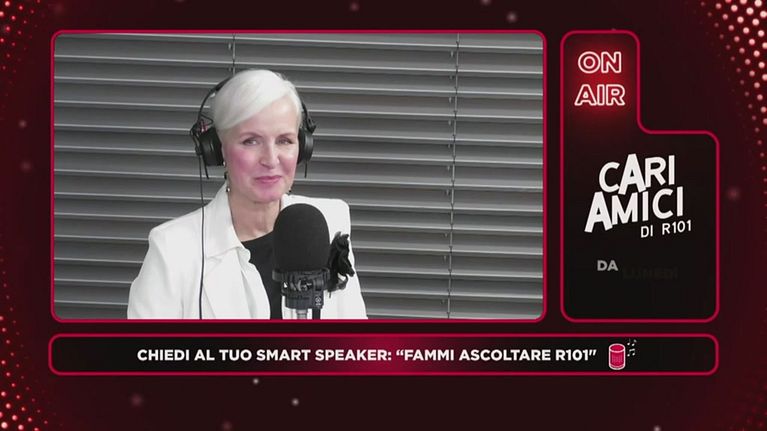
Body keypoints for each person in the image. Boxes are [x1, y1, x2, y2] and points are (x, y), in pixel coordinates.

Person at [127, 69, 367, 319]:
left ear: (303, 147)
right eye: (250, 141)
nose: (270, 159)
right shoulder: (172, 250)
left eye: (284, 140)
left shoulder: (329, 221)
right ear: (217, 149)